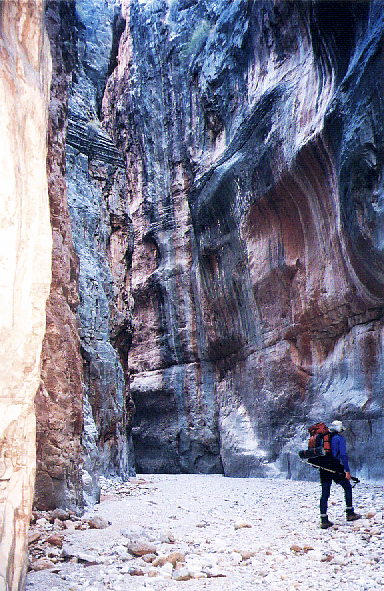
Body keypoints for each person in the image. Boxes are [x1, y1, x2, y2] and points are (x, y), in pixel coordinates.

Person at [320, 420, 361, 529]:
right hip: (335, 466)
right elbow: (343, 455)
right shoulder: (340, 439)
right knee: (347, 487)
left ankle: (324, 520)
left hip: (324, 467)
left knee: (325, 494)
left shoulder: (324, 439)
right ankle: (350, 513)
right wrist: (347, 471)